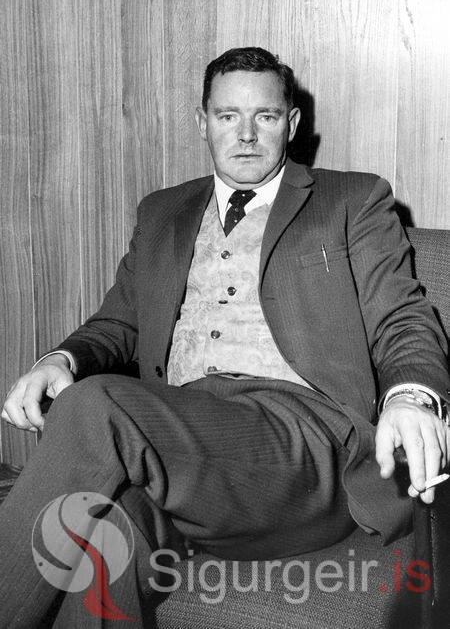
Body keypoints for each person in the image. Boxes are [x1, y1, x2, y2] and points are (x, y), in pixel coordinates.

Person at [1, 47, 449, 627]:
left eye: (265, 116)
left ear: (291, 123)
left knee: (93, 403)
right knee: (103, 533)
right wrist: (60, 359)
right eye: (227, 115)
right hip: (180, 445)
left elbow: (402, 319)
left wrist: (412, 396)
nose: (246, 134)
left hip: (303, 446)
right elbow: (119, 323)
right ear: (202, 121)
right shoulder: (162, 211)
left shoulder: (351, 200)